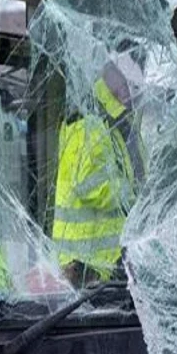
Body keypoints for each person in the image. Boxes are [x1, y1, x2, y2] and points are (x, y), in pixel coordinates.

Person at [51, 55, 144, 285]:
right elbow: (89, 183)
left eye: (133, 85)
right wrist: (135, 201)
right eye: (124, 82)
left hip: (107, 266)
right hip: (81, 268)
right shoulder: (86, 120)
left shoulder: (118, 125)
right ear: (109, 74)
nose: (128, 91)